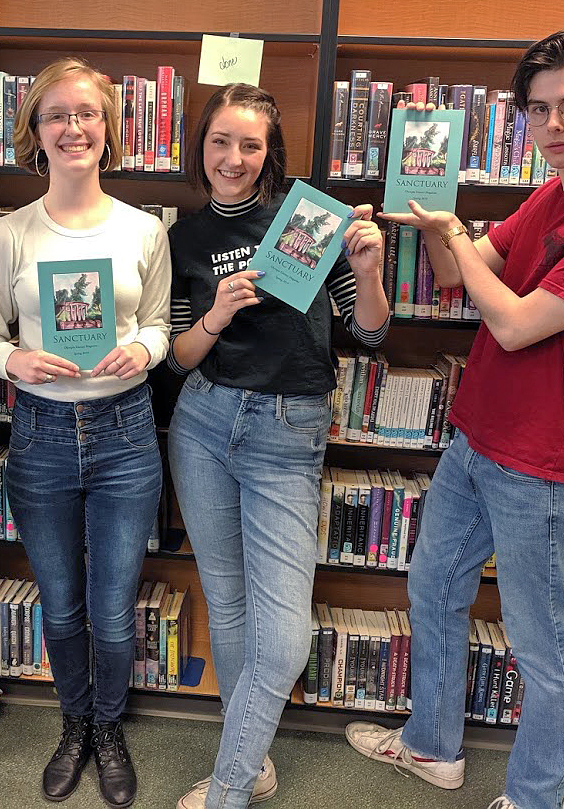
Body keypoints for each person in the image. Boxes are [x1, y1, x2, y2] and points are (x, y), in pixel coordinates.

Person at [344, 30, 564, 809]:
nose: (552, 126)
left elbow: (518, 323)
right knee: (432, 586)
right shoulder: (550, 195)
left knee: (542, 644)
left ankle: (533, 799)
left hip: (548, 462)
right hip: (478, 437)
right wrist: (438, 234)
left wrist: (459, 236)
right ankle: (432, 746)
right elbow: (465, 279)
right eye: (537, 111)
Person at [167, 83, 390, 809]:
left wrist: (366, 270)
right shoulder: (182, 238)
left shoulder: (311, 221)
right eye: (219, 142)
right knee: (226, 606)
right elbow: (176, 359)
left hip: (286, 431)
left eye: (249, 144)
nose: (232, 158)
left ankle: (230, 785)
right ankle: (253, 763)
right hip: (202, 423)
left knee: (286, 633)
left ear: (270, 153)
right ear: (200, 148)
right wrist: (218, 312)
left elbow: (373, 332)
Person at [0, 57, 170, 809]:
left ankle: (109, 727)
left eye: (87, 113)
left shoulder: (143, 229)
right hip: (41, 433)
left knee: (113, 605)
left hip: (123, 431)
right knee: (59, 602)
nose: (73, 127)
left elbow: (156, 322)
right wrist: (14, 355)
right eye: (57, 114)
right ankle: (74, 722)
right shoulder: (10, 233)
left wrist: (144, 349)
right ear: (36, 132)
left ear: (109, 130)